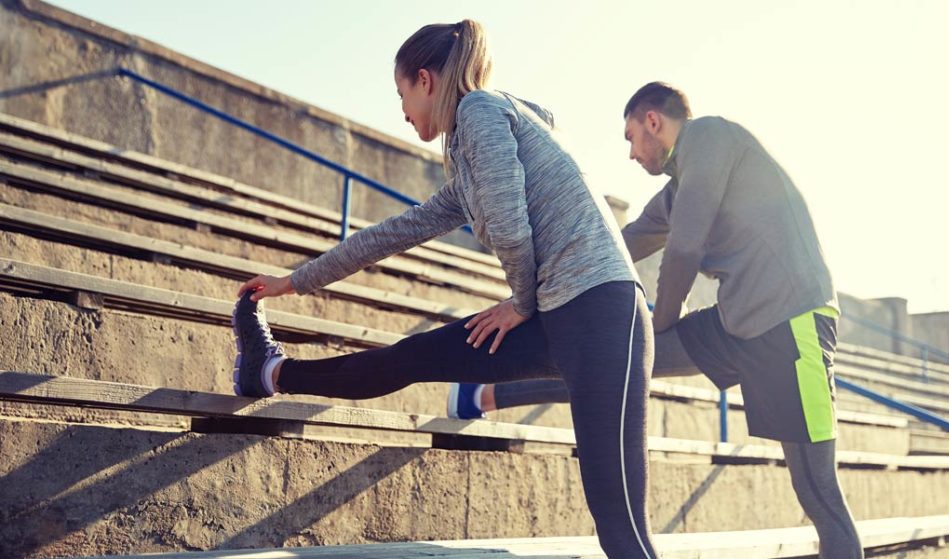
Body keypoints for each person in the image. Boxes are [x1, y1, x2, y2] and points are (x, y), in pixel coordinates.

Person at [231, 20, 660, 559]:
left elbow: (509, 226)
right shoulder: (469, 162)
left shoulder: (480, 111)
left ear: (426, 80)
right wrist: (293, 281)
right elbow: (392, 233)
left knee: (619, 524)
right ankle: (267, 373)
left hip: (602, 316)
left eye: (401, 93)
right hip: (560, 315)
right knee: (411, 357)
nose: (402, 110)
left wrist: (521, 303)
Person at [448, 82, 864, 559]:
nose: (630, 153)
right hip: (738, 325)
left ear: (653, 122)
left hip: (792, 323)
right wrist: (532, 294)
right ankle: (482, 393)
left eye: (630, 137)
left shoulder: (710, 137)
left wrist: (660, 323)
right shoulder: (678, 192)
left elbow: (684, 247)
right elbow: (619, 243)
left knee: (818, 494)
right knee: (610, 362)